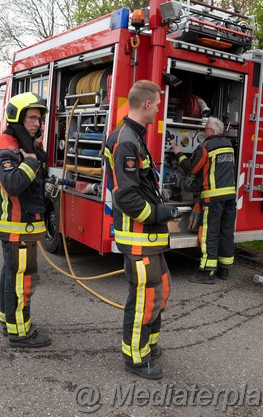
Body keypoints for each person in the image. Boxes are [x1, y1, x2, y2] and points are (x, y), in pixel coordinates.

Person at [104, 80, 179, 380]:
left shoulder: (134, 136)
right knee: (145, 297)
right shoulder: (125, 141)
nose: (159, 110)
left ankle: (148, 344)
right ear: (147, 104)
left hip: (149, 236)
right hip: (137, 236)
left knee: (161, 288)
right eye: (158, 104)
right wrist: (156, 214)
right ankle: (135, 357)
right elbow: (125, 196)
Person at [0, 92, 51, 348]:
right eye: (32, 118)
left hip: (20, 228)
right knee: (21, 279)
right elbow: (12, 184)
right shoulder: (7, 149)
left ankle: (8, 321)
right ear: (17, 118)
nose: (37, 123)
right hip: (16, 229)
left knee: (11, 275)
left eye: (39, 119)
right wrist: (31, 162)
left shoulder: (23, 147)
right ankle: (20, 333)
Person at [172, 117, 236, 284]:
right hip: (229, 196)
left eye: (205, 128)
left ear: (212, 131)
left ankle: (207, 272)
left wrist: (178, 153)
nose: (203, 131)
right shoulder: (229, 145)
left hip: (213, 198)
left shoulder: (206, 147)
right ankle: (224, 269)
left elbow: (192, 169)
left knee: (209, 234)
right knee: (226, 232)